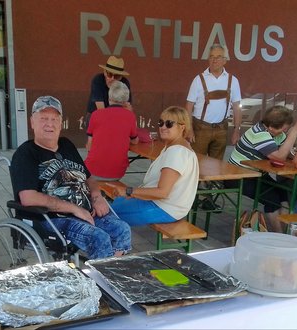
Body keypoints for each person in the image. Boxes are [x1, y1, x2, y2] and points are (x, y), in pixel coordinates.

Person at [10, 96, 131, 260]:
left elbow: (89, 179)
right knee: (99, 239)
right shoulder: (26, 154)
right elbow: (28, 198)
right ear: (32, 122)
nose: (49, 124)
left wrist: (97, 197)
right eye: (43, 118)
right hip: (54, 219)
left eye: (54, 119)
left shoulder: (66, 145)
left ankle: (111, 271)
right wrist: (74, 209)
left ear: (60, 123)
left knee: (122, 229)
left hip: (86, 212)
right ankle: (100, 281)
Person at [109, 106, 199, 225]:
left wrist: (130, 191)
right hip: (165, 205)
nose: (163, 127)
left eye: (169, 124)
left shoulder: (177, 152)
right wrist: (133, 193)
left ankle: (114, 242)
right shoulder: (175, 146)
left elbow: (163, 192)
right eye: (161, 123)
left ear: (182, 127)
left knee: (105, 215)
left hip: (165, 208)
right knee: (114, 204)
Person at [227, 106, 297, 232]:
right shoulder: (259, 134)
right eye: (284, 128)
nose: (285, 131)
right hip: (238, 175)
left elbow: (284, 151)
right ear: (271, 127)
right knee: (271, 199)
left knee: (285, 194)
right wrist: (294, 132)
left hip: (256, 173)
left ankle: (286, 233)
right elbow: (280, 157)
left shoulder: (275, 133)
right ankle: (279, 235)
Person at [186, 43, 242, 160]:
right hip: (200, 129)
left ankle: (213, 180)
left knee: (217, 166)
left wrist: (237, 130)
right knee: (197, 163)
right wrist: (189, 129)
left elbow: (237, 107)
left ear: (225, 60)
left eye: (218, 57)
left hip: (222, 129)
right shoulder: (198, 79)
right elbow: (189, 106)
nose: (214, 60)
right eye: (211, 57)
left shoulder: (233, 80)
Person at [85, 81, 139, 181]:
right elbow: (134, 141)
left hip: (92, 171)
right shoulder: (130, 116)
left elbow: (89, 145)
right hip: (117, 173)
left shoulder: (96, 114)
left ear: (109, 97)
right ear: (126, 100)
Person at [85, 56, 132, 127]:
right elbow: (101, 110)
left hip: (117, 116)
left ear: (121, 77)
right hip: (96, 115)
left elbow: (127, 108)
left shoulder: (125, 83)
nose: (112, 79)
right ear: (105, 72)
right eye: (110, 74)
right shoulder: (98, 80)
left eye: (116, 76)